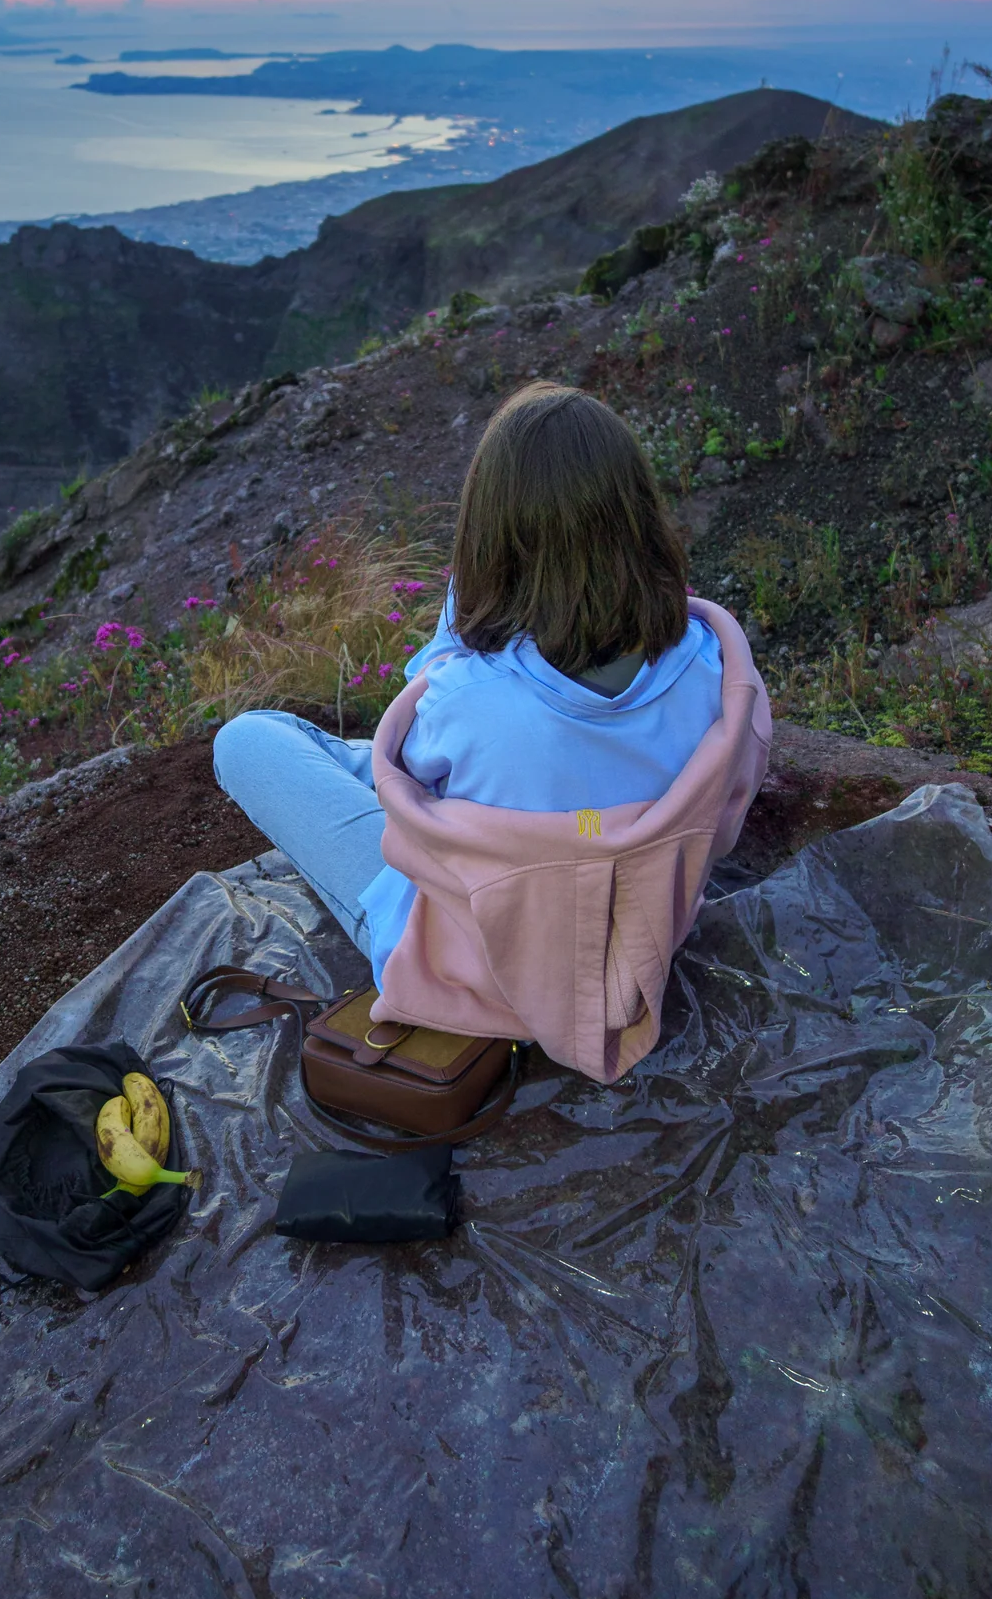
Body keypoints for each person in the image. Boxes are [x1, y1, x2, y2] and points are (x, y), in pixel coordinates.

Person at [212, 381, 771, 1079]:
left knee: (247, 741)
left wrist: (465, 633)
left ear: (495, 536)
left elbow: (412, 792)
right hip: (637, 924)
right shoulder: (719, 672)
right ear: (639, 518)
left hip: (476, 965)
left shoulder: (470, 699)